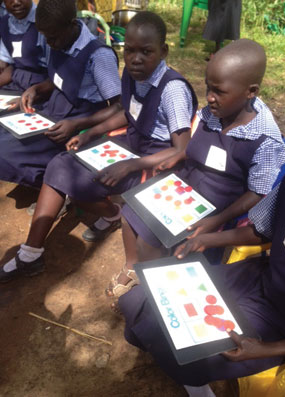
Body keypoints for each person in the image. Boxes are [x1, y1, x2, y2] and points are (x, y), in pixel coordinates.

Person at [0, 11, 198, 282]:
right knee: (62, 164)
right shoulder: (131, 72)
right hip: (132, 142)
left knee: (87, 177)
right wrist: (89, 133)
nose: (135, 58)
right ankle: (31, 253)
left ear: (163, 51)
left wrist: (130, 164)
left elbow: (181, 150)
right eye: (129, 50)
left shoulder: (172, 89)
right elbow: (127, 113)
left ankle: (113, 214)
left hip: (154, 157)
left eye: (146, 52)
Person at [109, 38, 285, 299]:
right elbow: (194, 150)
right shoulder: (215, 113)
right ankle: (135, 270)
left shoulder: (263, 141)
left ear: (251, 91)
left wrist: (216, 220)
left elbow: (256, 194)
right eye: (208, 88)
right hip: (185, 187)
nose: (210, 98)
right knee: (131, 209)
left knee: (149, 236)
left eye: (219, 91)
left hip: (217, 207)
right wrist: (177, 160)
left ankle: (151, 293)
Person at [118, 162, 285, 392]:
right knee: (141, 296)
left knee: (196, 356)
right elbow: (262, 229)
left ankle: (198, 388)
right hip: (258, 277)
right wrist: (206, 239)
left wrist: (267, 350)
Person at [0, 0, 121, 188]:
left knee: (5, 150)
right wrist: (36, 90)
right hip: (53, 107)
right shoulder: (59, 40)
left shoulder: (98, 55)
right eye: (46, 37)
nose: (49, 43)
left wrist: (78, 124)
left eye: (53, 38)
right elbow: (57, 79)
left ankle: (55, 182)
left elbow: (118, 107)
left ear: (72, 25)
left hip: (80, 116)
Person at [0, 0, 48, 99]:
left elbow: (58, 76)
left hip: (40, 89)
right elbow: (7, 63)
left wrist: (35, 93)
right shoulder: (6, 22)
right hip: (15, 84)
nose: (16, 2)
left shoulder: (45, 23)